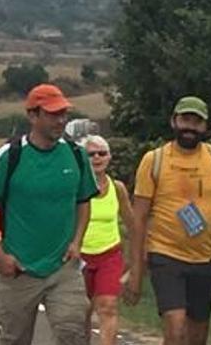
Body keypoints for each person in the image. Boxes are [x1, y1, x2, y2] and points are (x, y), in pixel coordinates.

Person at [0, 83, 98, 345]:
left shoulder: (76, 156)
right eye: (53, 114)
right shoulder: (10, 156)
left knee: (72, 334)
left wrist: (77, 242)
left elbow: (83, 201)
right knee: (15, 339)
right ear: (32, 115)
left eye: (64, 113)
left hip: (63, 267)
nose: (61, 120)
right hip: (18, 268)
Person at [125, 96, 211, 345]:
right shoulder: (155, 160)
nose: (190, 127)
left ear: (205, 127)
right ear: (174, 121)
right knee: (176, 327)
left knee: (197, 335)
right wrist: (136, 269)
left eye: (196, 122)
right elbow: (138, 217)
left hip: (205, 258)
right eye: (185, 120)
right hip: (165, 254)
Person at [78, 135, 134, 345]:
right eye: (91, 154)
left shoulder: (117, 188)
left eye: (102, 153)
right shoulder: (76, 186)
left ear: (109, 157)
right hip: (80, 256)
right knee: (81, 312)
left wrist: (132, 263)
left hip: (109, 255)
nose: (97, 158)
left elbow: (132, 225)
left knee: (108, 306)